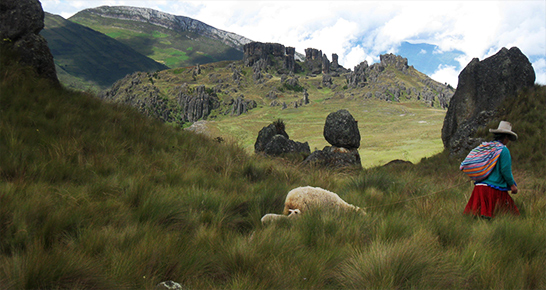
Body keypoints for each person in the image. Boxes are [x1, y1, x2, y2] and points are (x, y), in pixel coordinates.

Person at [463, 121, 520, 219]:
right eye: (508, 138)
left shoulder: (488, 147)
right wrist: (512, 185)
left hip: (479, 187)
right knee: (510, 215)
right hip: (493, 189)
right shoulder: (503, 150)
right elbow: (505, 170)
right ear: (506, 137)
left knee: (475, 217)